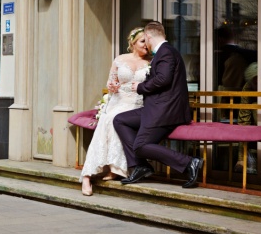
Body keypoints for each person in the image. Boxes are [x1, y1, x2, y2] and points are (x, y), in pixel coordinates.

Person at [113, 21, 203, 188]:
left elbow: (163, 79)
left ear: (148, 36)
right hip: (156, 108)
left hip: (165, 111)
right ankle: (141, 166)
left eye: (144, 39)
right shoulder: (164, 52)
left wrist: (140, 87)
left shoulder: (166, 52)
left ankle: (189, 162)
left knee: (141, 145)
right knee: (120, 120)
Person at [80, 27, 151, 196]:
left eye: (148, 43)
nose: (146, 46)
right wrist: (111, 86)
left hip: (137, 104)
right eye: (142, 42)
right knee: (108, 118)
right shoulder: (120, 59)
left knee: (115, 119)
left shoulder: (152, 62)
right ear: (133, 43)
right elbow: (111, 83)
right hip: (118, 100)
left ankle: (115, 168)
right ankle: (87, 175)